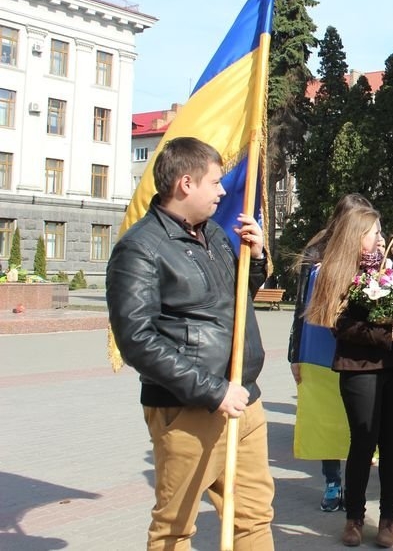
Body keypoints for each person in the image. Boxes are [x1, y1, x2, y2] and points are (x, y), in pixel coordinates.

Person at [106, 137, 274, 550]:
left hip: (244, 400)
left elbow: (232, 302)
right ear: (186, 183)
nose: (222, 192)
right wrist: (213, 391)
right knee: (176, 527)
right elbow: (136, 339)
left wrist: (255, 259)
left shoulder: (214, 234)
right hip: (188, 409)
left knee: (253, 517)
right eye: (215, 182)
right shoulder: (140, 248)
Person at [304, 206, 393, 548]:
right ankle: (354, 517)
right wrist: (386, 335)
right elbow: (340, 325)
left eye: (380, 232)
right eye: (374, 232)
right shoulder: (337, 271)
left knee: (392, 444)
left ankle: (389, 518)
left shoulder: (391, 269)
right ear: (356, 236)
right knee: (363, 442)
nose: (380, 238)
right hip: (358, 367)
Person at [288, 193, 371, 513]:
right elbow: (300, 308)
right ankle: (332, 482)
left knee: (353, 420)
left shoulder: (368, 250)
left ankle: (353, 483)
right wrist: (295, 354)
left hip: (354, 348)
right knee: (325, 418)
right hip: (318, 349)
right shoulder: (317, 252)